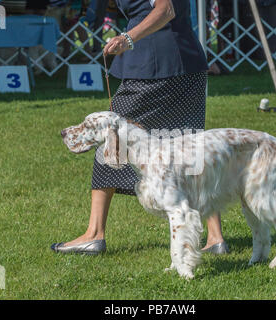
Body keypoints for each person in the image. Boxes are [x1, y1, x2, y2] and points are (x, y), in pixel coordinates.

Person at [51, 0, 229, 255]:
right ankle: (215, 238)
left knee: (111, 143)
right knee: (190, 154)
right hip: (184, 63)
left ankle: (93, 234)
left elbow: (165, 9)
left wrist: (128, 37)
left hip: (155, 64)